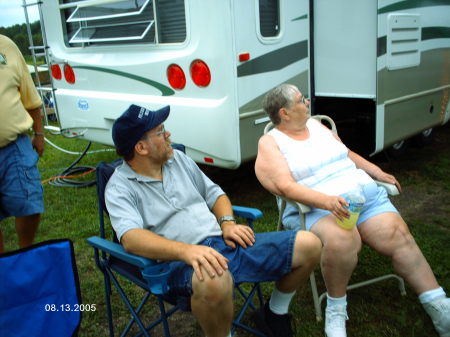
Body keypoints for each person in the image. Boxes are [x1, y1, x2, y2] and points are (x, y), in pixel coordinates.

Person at [105, 103, 322, 337]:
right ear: (141, 147)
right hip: (178, 263)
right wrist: (187, 251)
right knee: (215, 280)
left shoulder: (176, 159)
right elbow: (131, 238)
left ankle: (274, 312)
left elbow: (215, 194)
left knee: (309, 244)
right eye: (160, 131)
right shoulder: (119, 188)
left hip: (223, 244)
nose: (168, 134)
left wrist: (227, 222)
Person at [254, 83, 450, 337]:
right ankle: (336, 311)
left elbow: (346, 153)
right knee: (344, 240)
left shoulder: (316, 125)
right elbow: (284, 186)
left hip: (362, 197)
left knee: (397, 235)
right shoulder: (271, 143)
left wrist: (377, 171)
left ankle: (437, 304)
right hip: (317, 208)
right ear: (285, 113)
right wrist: (327, 202)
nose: (307, 104)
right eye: (302, 101)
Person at [0, 34, 45, 253]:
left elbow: (29, 94)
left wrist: (39, 133)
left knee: (29, 203)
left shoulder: (6, 46)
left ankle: (24, 255)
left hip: (14, 145)